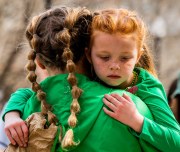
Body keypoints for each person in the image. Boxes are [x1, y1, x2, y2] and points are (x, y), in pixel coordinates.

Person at [2, 7, 157, 152]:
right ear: (89, 55)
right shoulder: (130, 108)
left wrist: (10, 115)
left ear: (39, 63)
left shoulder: (20, 116)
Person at [85, 8, 180, 151]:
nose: (114, 66)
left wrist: (137, 120)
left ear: (138, 56)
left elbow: (176, 142)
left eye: (125, 58)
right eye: (104, 57)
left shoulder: (147, 86)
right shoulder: (81, 79)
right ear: (88, 55)